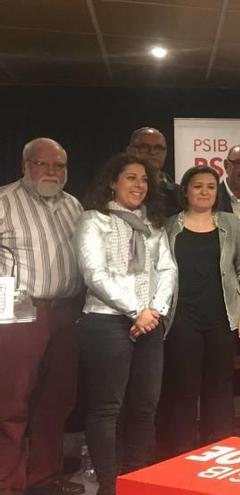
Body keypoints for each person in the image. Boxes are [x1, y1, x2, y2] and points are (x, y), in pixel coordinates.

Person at [75, 153, 177, 495]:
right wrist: (137, 310)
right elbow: (94, 274)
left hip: (149, 324)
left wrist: (155, 311)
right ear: (113, 182)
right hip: (105, 323)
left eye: (144, 179)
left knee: (145, 405)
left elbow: (168, 270)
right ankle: (109, 485)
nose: (139, 185)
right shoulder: (93, 220)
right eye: (131, 178)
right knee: (106, 408)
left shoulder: (154, 224)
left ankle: (135, 480)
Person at [0, 138, 85, 495]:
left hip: (66, 312)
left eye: (60, 166)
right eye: (43, 164)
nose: (52, 172)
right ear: (25, 165)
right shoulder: (3, 201)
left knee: (57, 400)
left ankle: (44, 478)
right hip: (19, 314)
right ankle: (9, 482)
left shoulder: (73, 205)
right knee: (12, 401)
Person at [161, 166, 240, 455]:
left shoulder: (230, 223)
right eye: (198, 186)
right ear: (186, 191)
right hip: (181, 319)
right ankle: (183, 454)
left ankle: (218, 452)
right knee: (183, 390)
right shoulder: (168, 226)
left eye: (211, 187)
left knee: (220, 390)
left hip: (223, 317)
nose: (204, 192)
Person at [126, 127, 181, 216]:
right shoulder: (119, 189)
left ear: (165, 152)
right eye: (144, 147)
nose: (152, 152)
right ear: (130, 151)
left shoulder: (179, 194)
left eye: (158, 148)